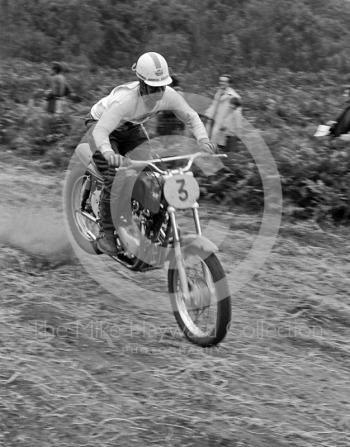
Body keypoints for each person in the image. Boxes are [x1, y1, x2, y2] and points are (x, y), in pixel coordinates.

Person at [79, 51, 216, 255]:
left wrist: (203, 140)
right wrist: (109, 154)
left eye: (161, 86)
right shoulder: (125, 100)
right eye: (153, 87)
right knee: (115, 174)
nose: (158, 92)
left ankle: (157, 227)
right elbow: (101, 132)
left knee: (158, 175)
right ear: (141, 84)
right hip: (102, 125)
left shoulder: (168, 94)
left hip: (132, 127)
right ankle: (106, 235)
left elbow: (191, 116)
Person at [204, 74, 242, 146]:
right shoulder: (219, 92)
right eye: (221, 81)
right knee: (209, 140)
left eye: (224, 81)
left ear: (229, 83)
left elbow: (236, 114)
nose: (221, 83)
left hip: (223, 124)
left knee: (218, 143)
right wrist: (209, 115)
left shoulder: (234, 96)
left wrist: (227, 125)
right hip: (213, 120)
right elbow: (214, 105)